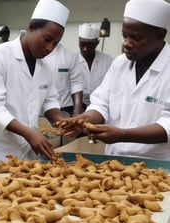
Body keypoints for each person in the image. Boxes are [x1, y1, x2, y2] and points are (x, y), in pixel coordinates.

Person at [58, 0, 170, 162]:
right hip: (114, 160)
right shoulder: (120, 63)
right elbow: (102, 103)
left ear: (160, 35)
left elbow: (168, 124)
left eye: (136, 38)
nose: (127, 44)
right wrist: (86, 119)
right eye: (125, 36)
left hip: (156, 164)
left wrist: (123, 135)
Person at [0, 0, 69, 163]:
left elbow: (50, 101)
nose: (50, 48)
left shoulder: (45, 67)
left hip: (28, 151)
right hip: (0, 151)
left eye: (55, 44)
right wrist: (29, 133)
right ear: (32, 26)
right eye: (47, 39)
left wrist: (61, 121)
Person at [44, 42, 84, 117]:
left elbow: (76, 83)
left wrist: (77, 112)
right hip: (38, 110)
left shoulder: (69, 55)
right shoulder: (35, 55)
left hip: (64, 108)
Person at [78, 22, 113, 106]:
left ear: (97, 43)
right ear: (78, 41)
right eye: (82, 44)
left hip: (101, 105)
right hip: (78, 105)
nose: (85, 48)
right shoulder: (72, 60)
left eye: (89, 45)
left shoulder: (108, 60)